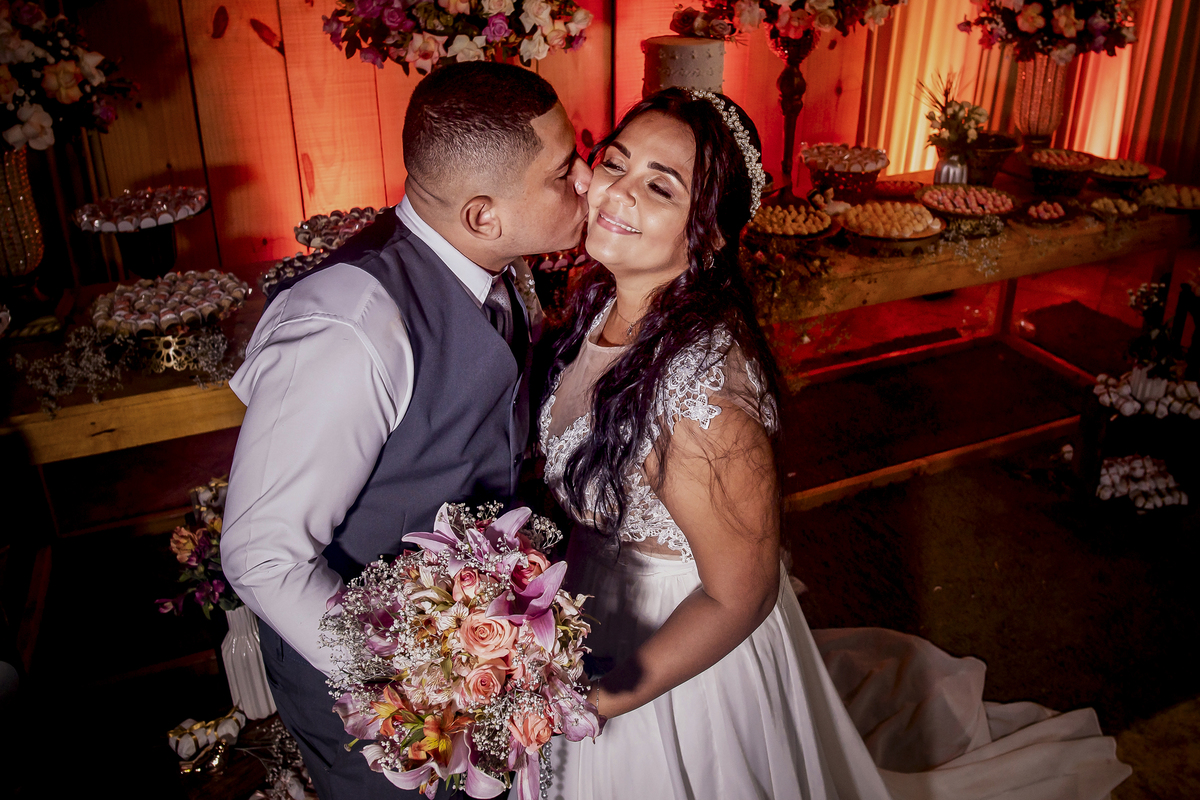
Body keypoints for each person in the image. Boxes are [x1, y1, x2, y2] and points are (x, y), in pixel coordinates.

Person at [540, 88, 1131, 799]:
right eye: (616, 163)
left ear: (710, 234)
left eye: (659, 187)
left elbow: (740, 596)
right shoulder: (605, 302)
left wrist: (598, 703)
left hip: (674, 656)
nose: (617, 193)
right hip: (586, 604)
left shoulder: (700, 405)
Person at [220, 61, 592, 800]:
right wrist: (429, 686)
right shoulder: (350, 330)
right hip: (375, 701)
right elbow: (262, 557)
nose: (587, 180)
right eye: (562, 173)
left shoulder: (486, 260)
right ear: (483, 213)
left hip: (477, 653)